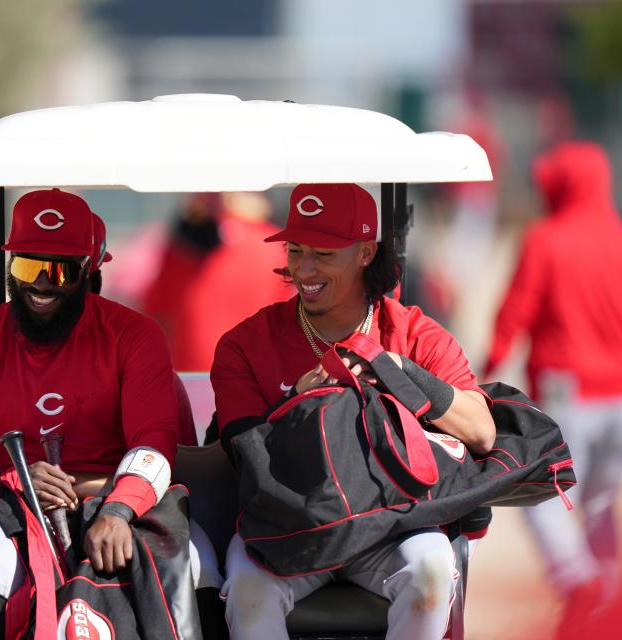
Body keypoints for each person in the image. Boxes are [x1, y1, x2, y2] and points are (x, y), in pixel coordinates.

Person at [0, 188, 221, 640]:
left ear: (89, 272)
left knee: (199, 564)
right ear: (10, 267)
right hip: (13, 511)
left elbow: (153, 444)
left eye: (62, 270)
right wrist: (8, 484)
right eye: (29, 266)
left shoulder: (134, 337)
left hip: (123, 502)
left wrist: (116, 510)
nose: (42, 283)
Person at [211, 183, 496, 640]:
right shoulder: (246, 343)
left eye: (323, 253)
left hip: (393, 526)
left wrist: (398, 372)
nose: (303, 269)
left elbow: (481, 433)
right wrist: (294, 405)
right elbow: (242, 453)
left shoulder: (414, 334)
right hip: (286, 529)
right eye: (295, 250)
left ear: (365, 251)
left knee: (432, 571)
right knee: (249, 588)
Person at [482, 141, 622, 636]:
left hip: (569, 394)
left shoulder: (546, 239)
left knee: (540, 494)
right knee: (600, 503)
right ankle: (607, 606)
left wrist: (489, 371)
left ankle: (578, 578)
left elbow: (515, 312)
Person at [141, 191, 292, 371]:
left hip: (192, 378)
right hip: (255, 375)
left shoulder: (182, 248)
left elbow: (154, 311)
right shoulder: (277, 246)